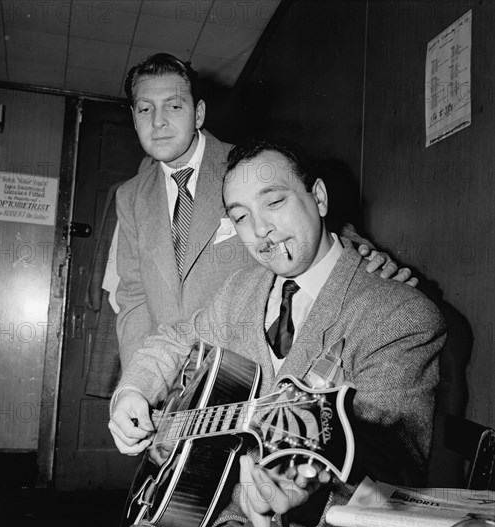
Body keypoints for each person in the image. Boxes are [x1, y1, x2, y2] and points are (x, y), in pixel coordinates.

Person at [91, 138, 446, 527]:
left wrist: (307, 498)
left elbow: (394, 466)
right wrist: (133, 391)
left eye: (274, 202)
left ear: (318, 197)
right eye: (241, 217)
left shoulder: (398, 314)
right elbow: (175, 337)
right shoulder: (241, 289)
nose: (260, 230)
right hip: (204, 516)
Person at [115, 53, 415, 369]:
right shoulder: (130, 196)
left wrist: (372, 262)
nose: (158, 121)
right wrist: (140, 381)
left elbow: (320, 226)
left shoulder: (249, 165)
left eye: (173, 106)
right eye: (145, 109)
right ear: (134, 116)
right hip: (168, 374)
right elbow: (133, 298)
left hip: (246, 371)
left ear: (199, 113)